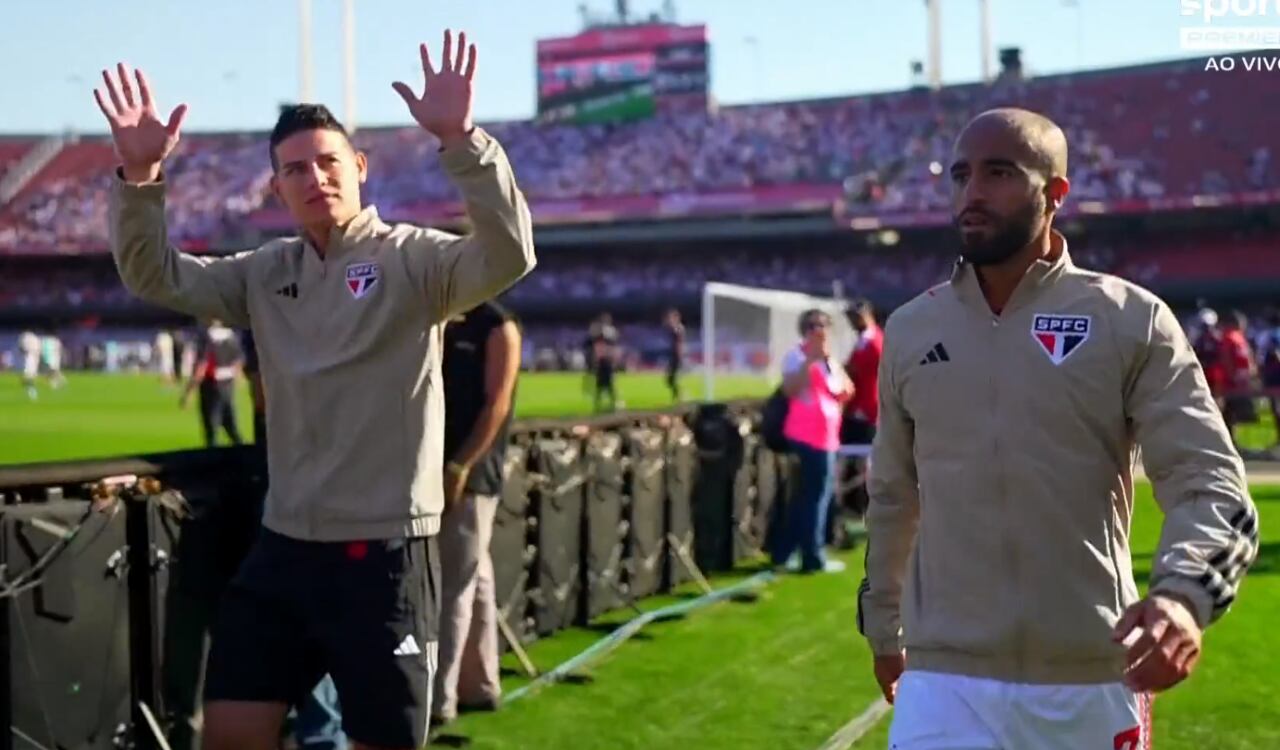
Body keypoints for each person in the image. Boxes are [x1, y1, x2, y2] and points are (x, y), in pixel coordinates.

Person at [95, 26, 535, 750]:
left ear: (360, 167)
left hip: (384, 558)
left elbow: (510, 254)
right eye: (294, 169)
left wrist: (462, 140)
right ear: (277, 188)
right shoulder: (265, 272)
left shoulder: (413, 261)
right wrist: (140, 180)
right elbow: (157, 276)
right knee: (229, 734)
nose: (314, 178)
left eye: (328, 162)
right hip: (284, 549)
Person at [859, 108, 1260, 749]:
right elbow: (893, 493)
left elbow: (1209, 481)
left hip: (1092, 674)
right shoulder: (911, 329)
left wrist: (1183, 597)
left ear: (1056, 194)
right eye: (961, 175)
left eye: (999, 173)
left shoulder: (1131, 319)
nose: (972, 193)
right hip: (943, 681)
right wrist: (884, 626)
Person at [433, 300, 521, 726]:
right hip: (440, 467)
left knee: (453, 584)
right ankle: (480, 684)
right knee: (474, 577)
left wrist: (461, 465)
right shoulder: (442, 320)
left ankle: (438, 699)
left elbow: (496, 404)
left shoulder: (497, 326)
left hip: (469, 474)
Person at [771, 308, 853, 574]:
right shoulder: (796, 357)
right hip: (806, 435)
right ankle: (812, 556)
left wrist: (829, 364)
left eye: (823, 327)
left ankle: (786, 551)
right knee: (814, 496)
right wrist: (811, 361)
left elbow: (846, 390)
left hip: (826, 436)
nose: (820, 332)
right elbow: (790, 389)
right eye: (814, 327)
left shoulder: (830, 359)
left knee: (812, 495)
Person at [837, 298, 883, 520]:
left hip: (866, 410)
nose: (852, 322)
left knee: (865, 462)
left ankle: (862, 506)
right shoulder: (864, 341)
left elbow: (856, 371)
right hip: (857, 409)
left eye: (855, 316)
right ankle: (852, 505)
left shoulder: (875, 342)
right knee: (853, 460)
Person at [179, 318, 245, 447]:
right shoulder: (230, 335)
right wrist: (236, 377)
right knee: (231, 427)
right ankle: (247, 458)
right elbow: (238, 361)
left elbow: (201, 366)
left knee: (211, 430)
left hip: (211, 386)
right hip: (227, 385)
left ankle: (213, 462)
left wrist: (189, 392)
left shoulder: (206, 336)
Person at [1219, 310, 1259, 448]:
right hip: (1233, 383)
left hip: (1241, 382)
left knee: (1236, 414)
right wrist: (1232, 377)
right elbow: (1227, 359)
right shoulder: (1229, 337)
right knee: (1230, 413)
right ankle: (1229, 443)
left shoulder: (1239, 337)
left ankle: (1232, 442)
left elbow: (1247, 358)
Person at [592, 313, 620, 412]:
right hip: (603, 361)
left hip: (606, 361)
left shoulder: (608, 332)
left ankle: (613, 403)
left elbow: (612, 346)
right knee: (601, 385)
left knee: (609, 385)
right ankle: (600, 404)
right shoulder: (600, 332)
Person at [662, 308, 685, 401]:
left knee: (671, 378)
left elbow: (679, 342)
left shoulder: (679, 328)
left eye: (672, 317)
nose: (670, 319)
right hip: (672, 355)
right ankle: (678, 395)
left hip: (676, 356)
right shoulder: (674, 328)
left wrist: (679, 355)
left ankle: (680, 395)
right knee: (669, 379)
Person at [18, 330, 40, 400]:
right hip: (31, 356)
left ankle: (30, 388)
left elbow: (21, 348)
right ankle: (30, 388)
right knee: (29, 374)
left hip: (30, 356)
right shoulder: (33, 338)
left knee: (29, 374)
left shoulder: (25, 337)